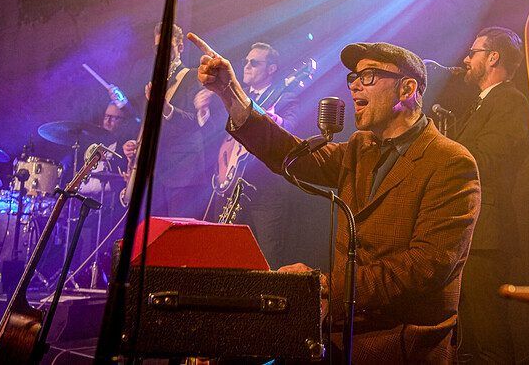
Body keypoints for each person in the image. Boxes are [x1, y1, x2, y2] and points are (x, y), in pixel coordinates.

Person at [188, 33, 480, 363]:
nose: (354, 85)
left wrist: (325, 286)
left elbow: (426, 267)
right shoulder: (361, 147)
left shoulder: (450, 161)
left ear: (407, 89)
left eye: (368, 76)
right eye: (353, 77)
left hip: (404, 345)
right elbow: (292, 154)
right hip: (344, 336)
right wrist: (230, 93)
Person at [452, 27, 529, 363]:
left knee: (490, 336)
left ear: (493, 57)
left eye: (474, 52)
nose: (467, 59)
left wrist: (443, 149)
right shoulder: (481, 103)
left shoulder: (511, 101)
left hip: (488, 233)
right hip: (471, 230)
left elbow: (488, 159)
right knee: (468, 335)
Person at [202, 42, 301, 268]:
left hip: (265, 192)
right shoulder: (236, 96)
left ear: (271, 69)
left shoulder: (285, 97)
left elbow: (291, 130)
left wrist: (270, 118)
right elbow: (216, 135)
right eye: (246, 61)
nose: (246, 66)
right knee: (225, 256)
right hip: (229, 186)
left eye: (254, 63)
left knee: (269, 259)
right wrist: (203, 110)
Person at [123, 23, 211, 218]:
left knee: (176, 240)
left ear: (180, 47)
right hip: (154, 174)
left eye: (167, 46)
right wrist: (136, 145)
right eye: (157, 48)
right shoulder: (156, 82)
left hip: (183, 172)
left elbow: (195, 122)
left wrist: (166, 107)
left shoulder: (191, 76)